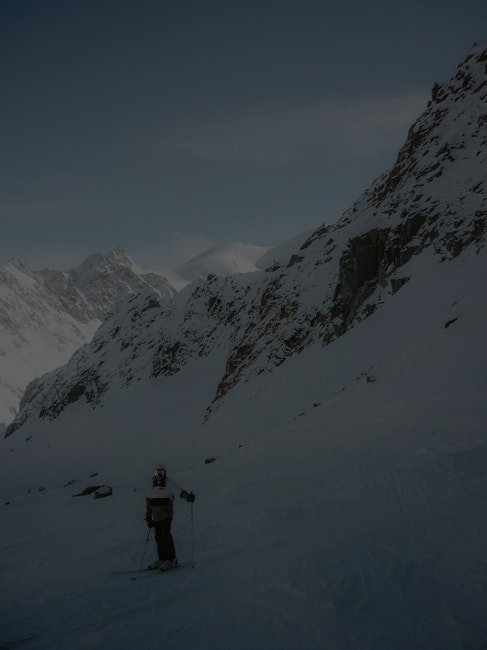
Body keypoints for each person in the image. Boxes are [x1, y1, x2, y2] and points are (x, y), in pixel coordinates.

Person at [145, 464, 195, 570]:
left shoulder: (169, 483)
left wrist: (188, 497)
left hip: (166, 515)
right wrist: (148, 517)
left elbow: (179, 491)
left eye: (161, 472)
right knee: (158, 538)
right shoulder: (152, 485)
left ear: (165, 473)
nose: (159, 475)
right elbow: (148, 502)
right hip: (156, 517)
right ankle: (162, 559)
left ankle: (172, 560)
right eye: (157, 473)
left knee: (165, 536)